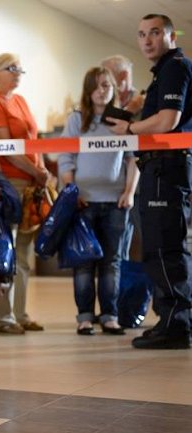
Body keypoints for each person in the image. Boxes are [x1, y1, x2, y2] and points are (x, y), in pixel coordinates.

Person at [108, 13, 192, 350]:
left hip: (166, 169)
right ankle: (173, 320)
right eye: (142, 34)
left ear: (170, 36)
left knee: (164, 249)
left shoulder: (176, 66)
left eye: (154, 33)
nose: (146, 40)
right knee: (161, 247)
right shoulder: (166, 71)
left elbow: (168, 121)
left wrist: (130, 129)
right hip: (162, 169)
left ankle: (176, 324)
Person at [58, 67, 139, 336]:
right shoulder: (77, 120)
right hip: (84, 201)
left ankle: (110, 315)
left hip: (115, 202)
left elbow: (132, 160)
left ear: (114, 89)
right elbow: (66, 158)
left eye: (107, 85)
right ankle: (84, 316)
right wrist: (71, 193)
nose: (102, 90)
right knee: (83, 263)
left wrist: (128, 192)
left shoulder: (123, 121)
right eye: (97, 86)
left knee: (112, 262)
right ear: (87, 90)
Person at [0, 53, 47, 335]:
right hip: (11, 183)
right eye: (12, 69)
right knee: (4, 252)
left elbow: (33, 140)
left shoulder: (19, 100)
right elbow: (7, 147)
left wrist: (41, 170)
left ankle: (21, 313)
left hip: (32, 182)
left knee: (24, 253)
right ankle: (3, 317)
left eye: (20, 68)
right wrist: (35, 171)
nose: (18, 73)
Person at [100, 55, 145, 260]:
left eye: (108, 77)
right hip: (112, 186)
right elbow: (104, 133)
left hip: (142, 184)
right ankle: (121, 291)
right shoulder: (107, 106)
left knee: (147, 239)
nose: (103, 84)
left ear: (124, 76)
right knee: (117, 248)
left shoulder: (147, 103)